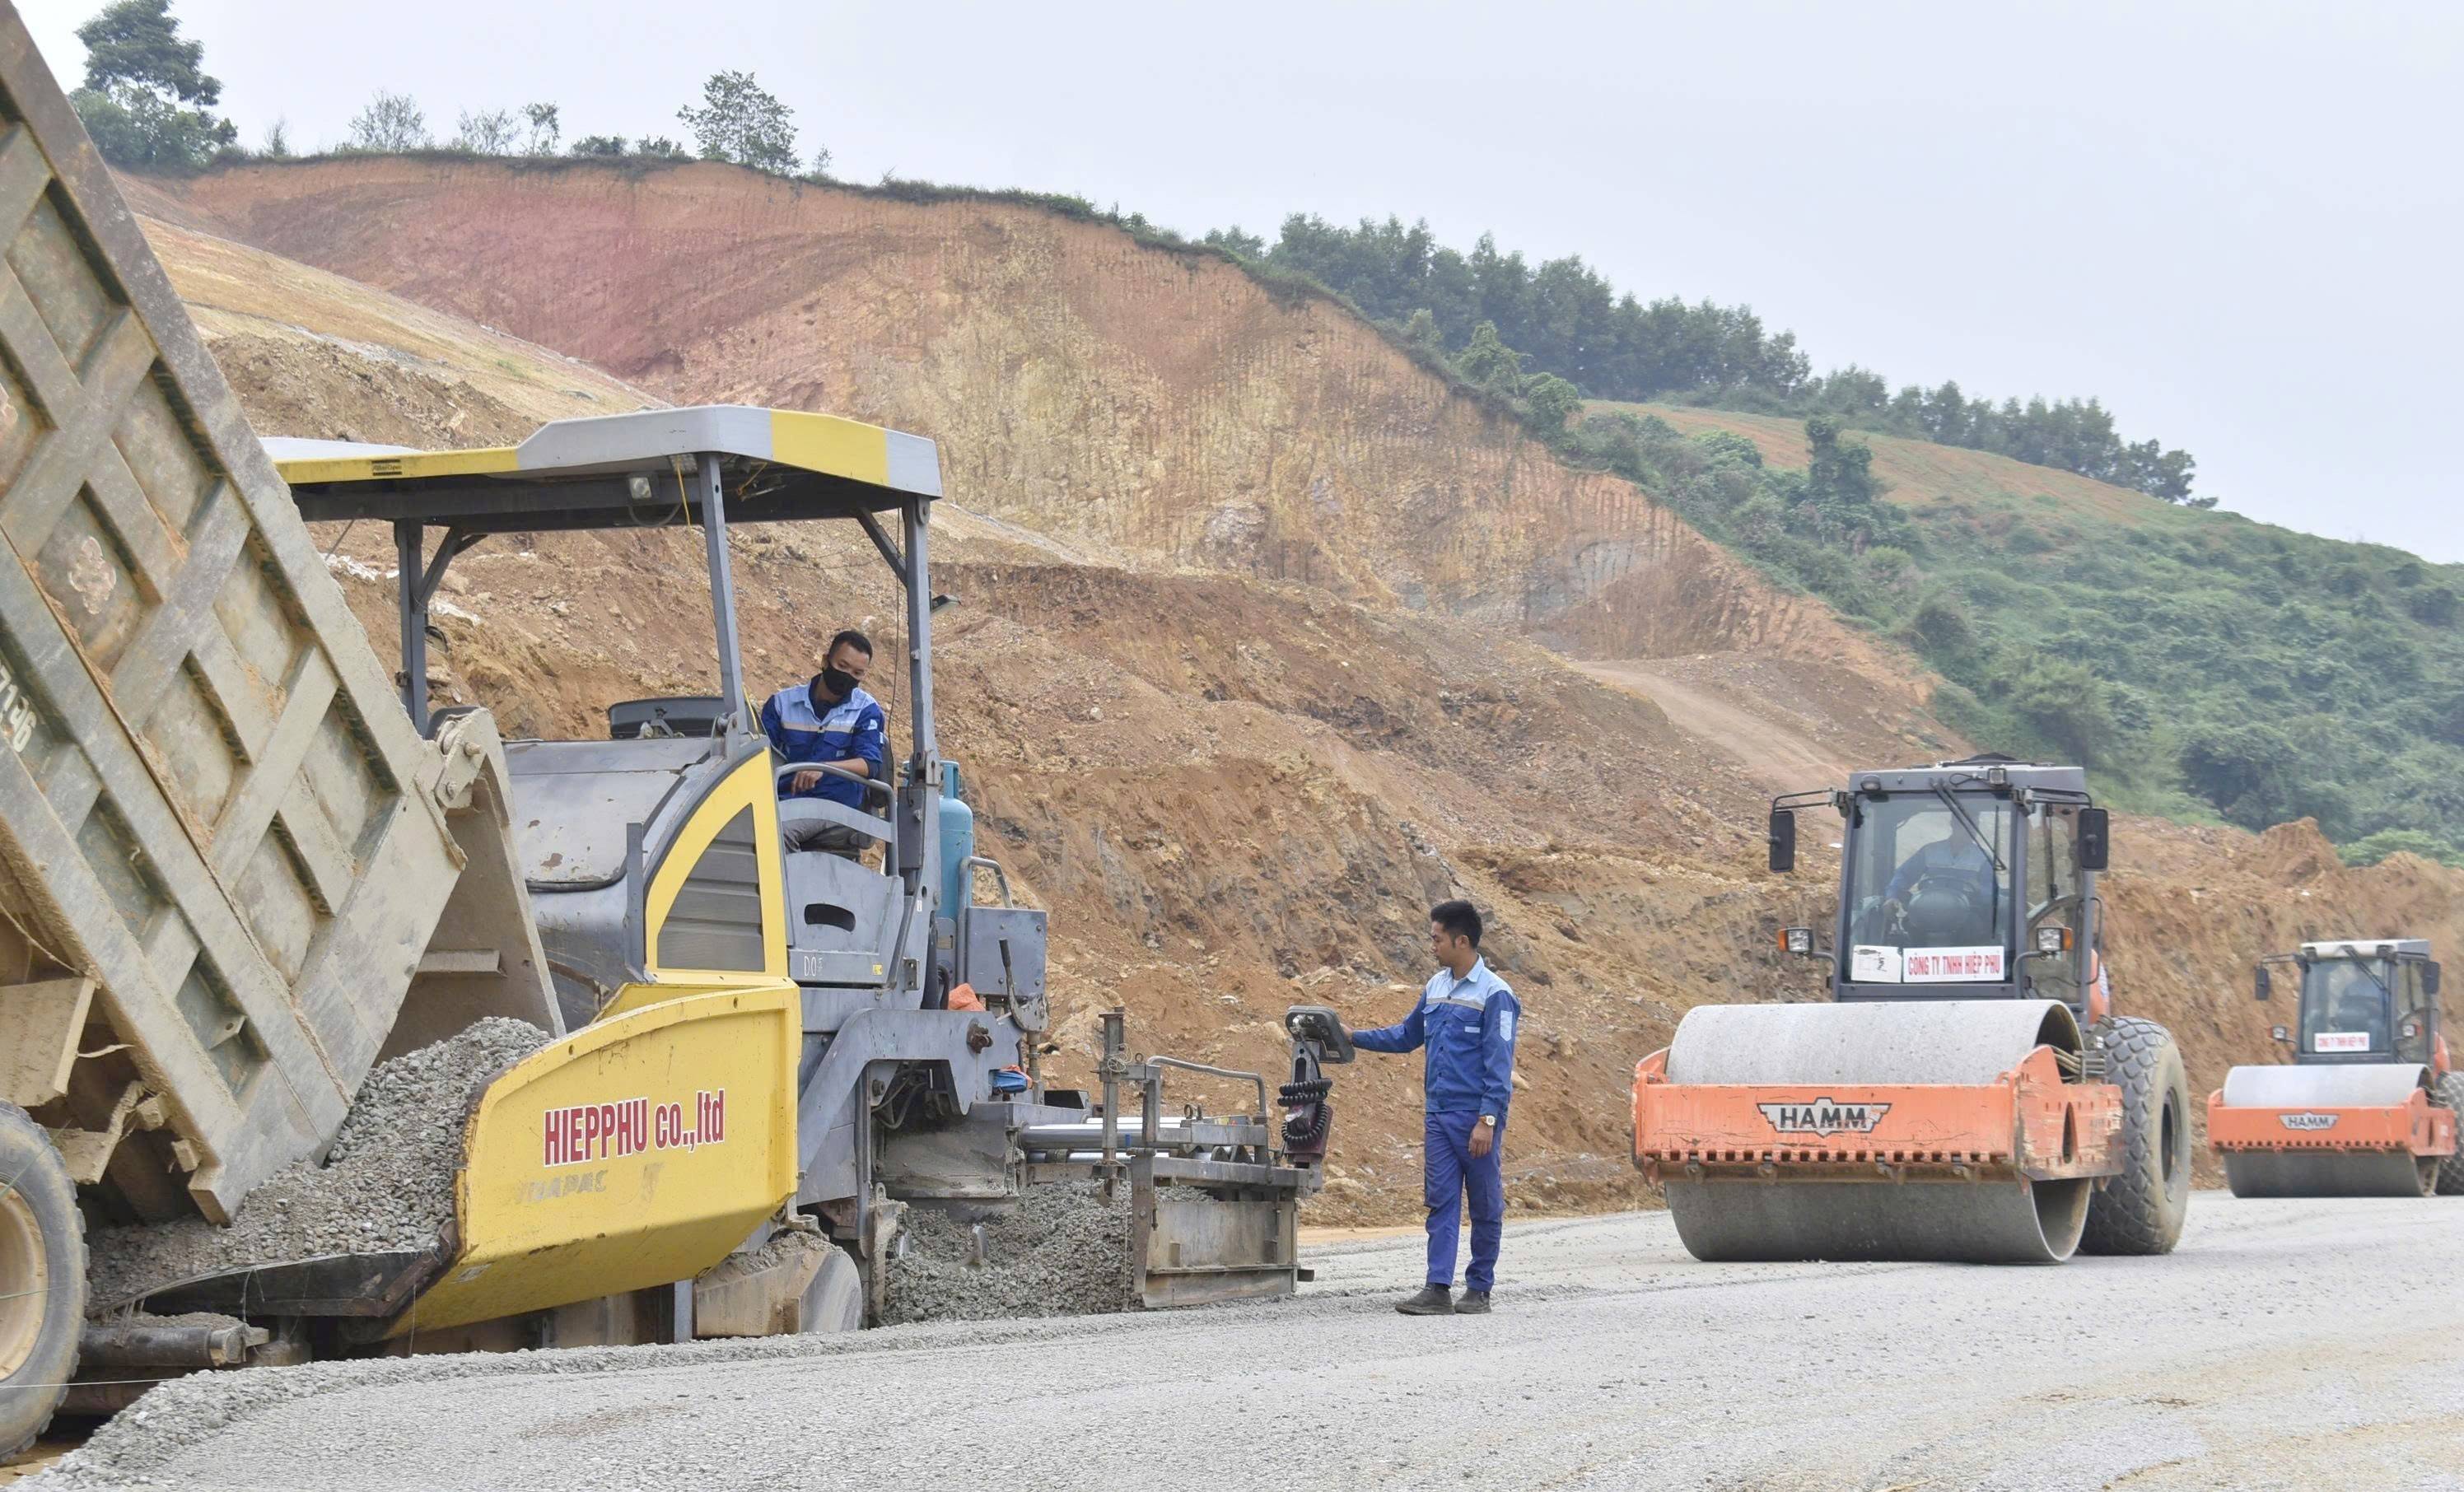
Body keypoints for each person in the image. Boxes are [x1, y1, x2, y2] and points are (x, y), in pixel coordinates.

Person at [1346, 900, 1520, 1316]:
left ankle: (1479, 1288)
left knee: (1483, 1203)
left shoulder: (1496, 994)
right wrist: (1351, 1036)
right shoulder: (1436, 987)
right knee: (1441, 1200)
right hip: (1439, 1118)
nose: (1432, 946)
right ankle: (1437, 1287)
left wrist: (1488, 1120)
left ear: (1462, 941)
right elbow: (1407, 1036)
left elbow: (1500, 1063)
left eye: (1437, 938)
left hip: (1475, 1118)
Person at [759, 630, 886, 856]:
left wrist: (822, 769)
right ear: (825, 661)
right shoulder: (782, 704)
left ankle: (788, 890)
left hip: (834, 806)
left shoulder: (865, 710)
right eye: (843, 666)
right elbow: (760, 756)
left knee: (777, 832)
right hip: (783, 800)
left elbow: (870, 764)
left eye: (857, 673)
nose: (848, 676)